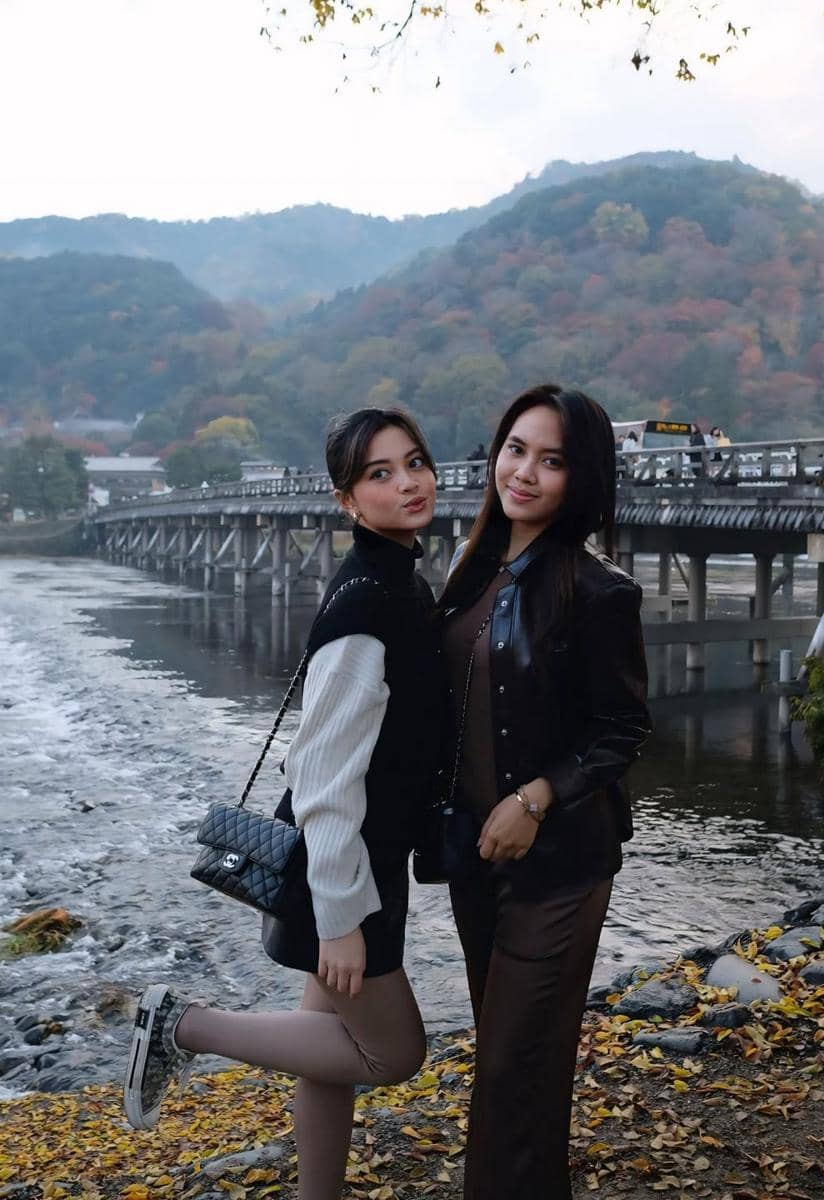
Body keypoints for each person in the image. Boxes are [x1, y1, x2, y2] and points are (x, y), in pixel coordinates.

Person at [123, 407, 445, 1200]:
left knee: (324, 1046)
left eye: (415, 462)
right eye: (379, 473)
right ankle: (180, 1023)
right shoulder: (368, 608)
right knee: (391, 1053)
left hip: (361, 865)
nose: (406, 482)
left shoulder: (395, 577)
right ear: (346, 500)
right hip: (343, 872)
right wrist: (340, 919)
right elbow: (324, 778)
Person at [437, 384, 652, 1200]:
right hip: (472, 855)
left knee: (512, 1063)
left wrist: (535, 798)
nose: (524, 472)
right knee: (503, 1056)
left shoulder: (600, 591)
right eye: (516, 448)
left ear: (582, 477)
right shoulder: (473, 567)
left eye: (552, 460)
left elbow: (622, 731)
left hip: (558, 860)